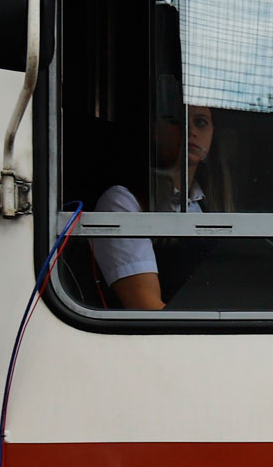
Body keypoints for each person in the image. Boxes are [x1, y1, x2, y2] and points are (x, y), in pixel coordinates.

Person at [86, 98, 217, 311]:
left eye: (200, 123)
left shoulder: (209, 204)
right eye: (177, 120)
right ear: (155, 130)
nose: (190, 130)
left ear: (212, 135)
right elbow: (146, 308)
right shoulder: (123, 202)